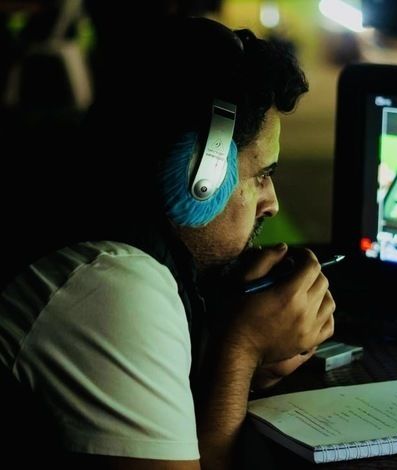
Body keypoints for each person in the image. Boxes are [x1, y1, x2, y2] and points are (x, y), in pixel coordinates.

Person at [0, 16, 335, 469]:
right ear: (201, 175)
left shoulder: (115, 234)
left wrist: (234, 354)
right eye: (261, 175)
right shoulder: (111, 284)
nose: (271, 203)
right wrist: (242, 350)